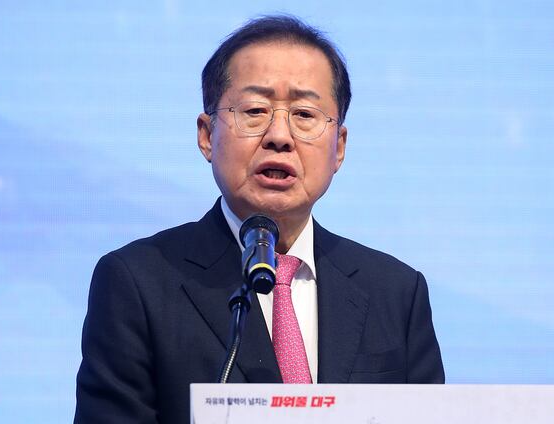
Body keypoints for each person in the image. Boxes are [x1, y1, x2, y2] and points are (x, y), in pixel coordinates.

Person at [75, 14, 444, 424]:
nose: (279, 136)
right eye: (255, 110)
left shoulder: (396, 292)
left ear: (339, 147)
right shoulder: (137, 282)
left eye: (305, 114)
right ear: (206, 135)